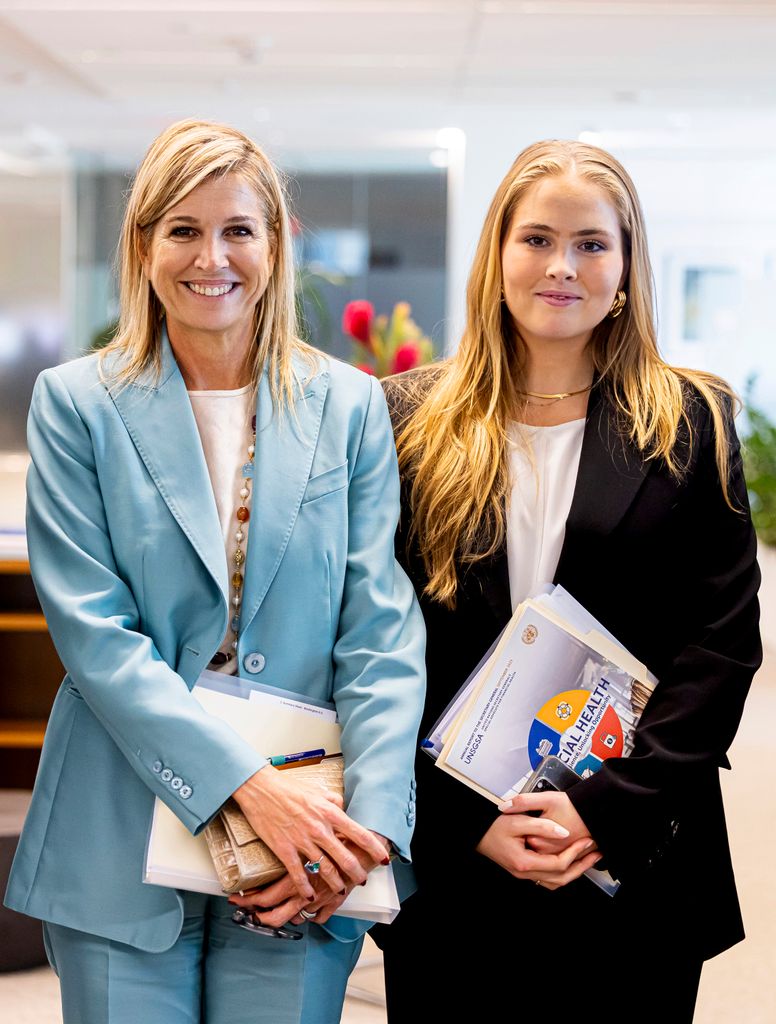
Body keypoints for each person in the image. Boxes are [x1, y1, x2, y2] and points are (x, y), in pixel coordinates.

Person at [4, 119, 425, 1024]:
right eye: (183, 230)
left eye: (238, 229)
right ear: (143, 245)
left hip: (308, 836)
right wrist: (249, 788)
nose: (212, 257)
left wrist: (371, 827)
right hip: (118, 825)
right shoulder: (76, 404)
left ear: (274, 245)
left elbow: (380, 632)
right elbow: (96, 637)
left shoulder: (349, 406)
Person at [372, 139, 761, 1022]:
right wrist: (463, 823)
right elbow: (374, 640)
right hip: (456, 859)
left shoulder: (690, 421)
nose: (562, 267)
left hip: (637, 856)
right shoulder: (406, 420)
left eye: (591, 244)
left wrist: (605, 812)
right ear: (498, 255)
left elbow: (721, 646)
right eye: (538, 239)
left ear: (625, 269)